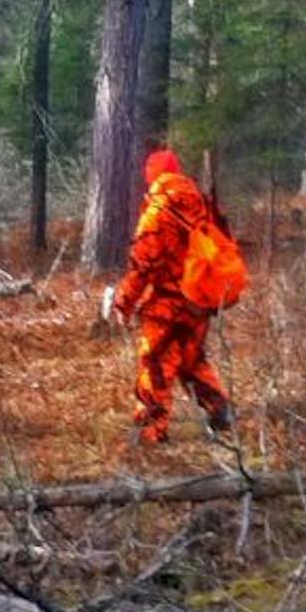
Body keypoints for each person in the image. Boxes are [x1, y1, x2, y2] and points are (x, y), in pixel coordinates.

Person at [108, 148, 235, 444]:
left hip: (167, 304)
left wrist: (123, 302)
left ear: (152, 177)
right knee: (190, 360)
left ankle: (150, 431)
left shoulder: (157, 213)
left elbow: (143, 266)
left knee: (154, 363)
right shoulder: (201, 203)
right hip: (199, 300)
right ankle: (219, 409)